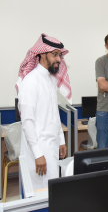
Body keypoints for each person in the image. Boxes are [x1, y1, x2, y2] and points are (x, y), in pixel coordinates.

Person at [17, 33, 71, 190]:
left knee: (52, 194)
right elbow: (27, 121)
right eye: (54, 54)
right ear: (42, 53)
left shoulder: (51, 80)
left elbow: (54, 113)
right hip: (38, 151)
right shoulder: (30, 82)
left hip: (52, 146)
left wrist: (61, 139)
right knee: (39, 197)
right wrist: (38, 153)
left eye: (59, 55)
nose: (59, 60)